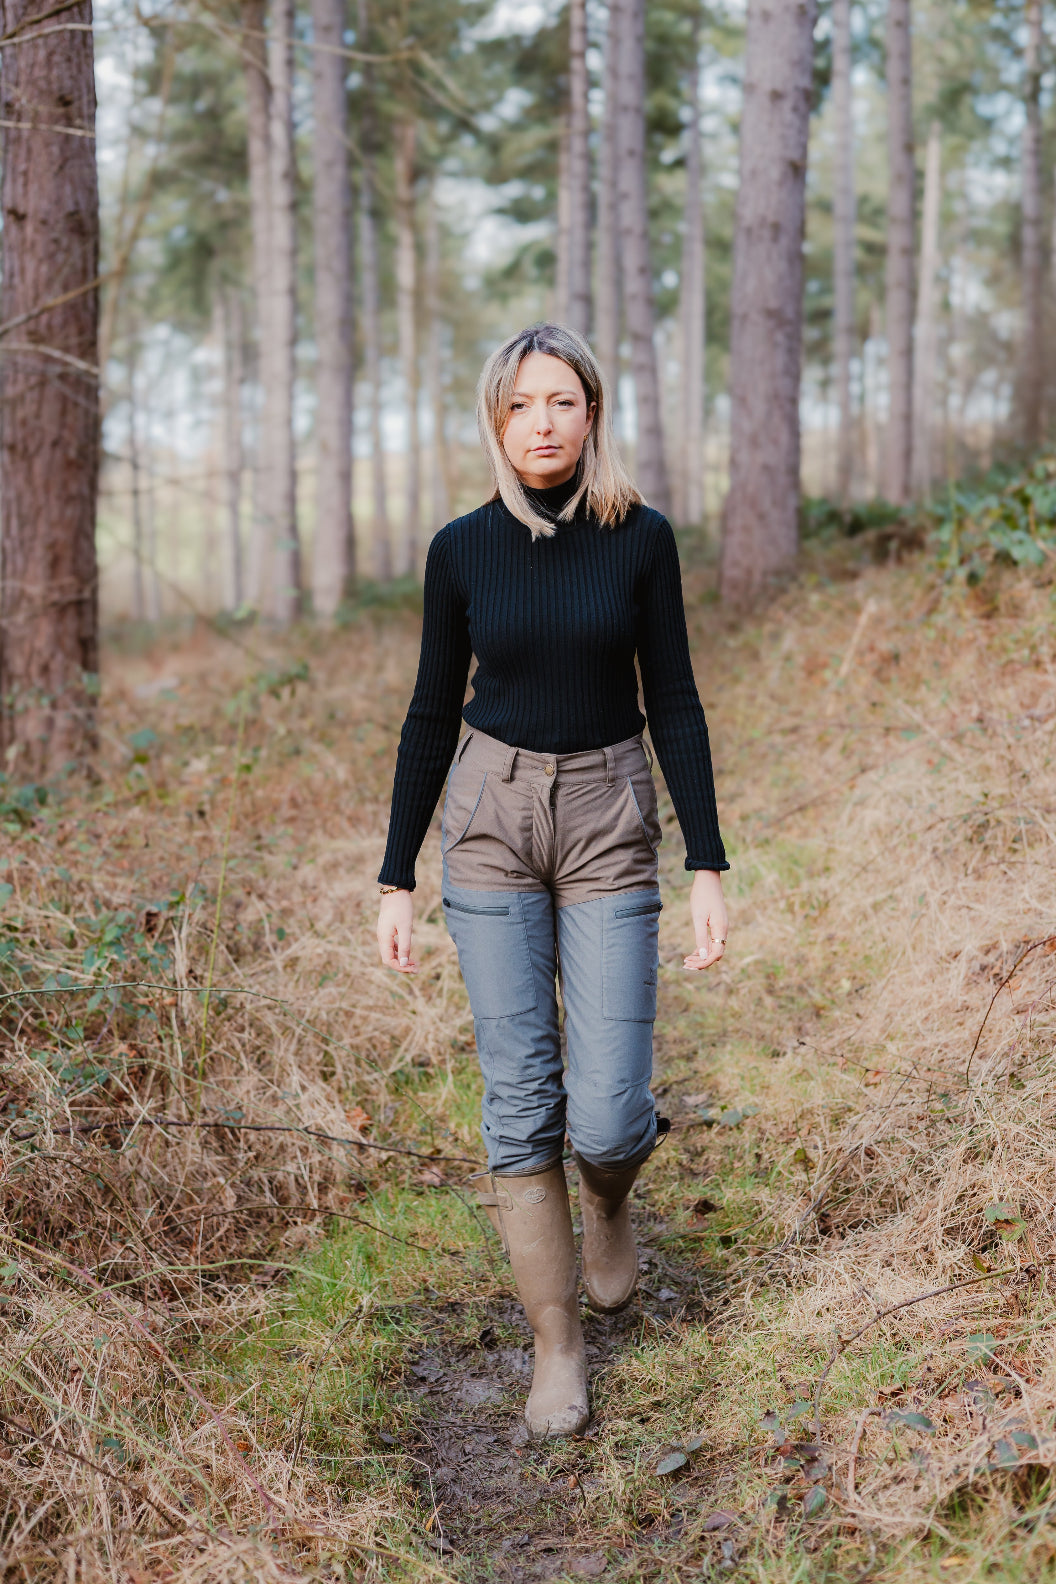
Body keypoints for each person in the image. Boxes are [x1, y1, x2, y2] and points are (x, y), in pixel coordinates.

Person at [376, 322, 728, 1441]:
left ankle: (613, 1195)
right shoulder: (459, 551)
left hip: (607, 819)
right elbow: (433, 709)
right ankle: (557, 1346)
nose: (542, 422)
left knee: (613, 1110)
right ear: (497, 418)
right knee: (521, 1100)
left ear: (592, 417)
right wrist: (396, 875)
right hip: (487, 822)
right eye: (523, 403)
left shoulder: (642, 540)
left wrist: (708, 861)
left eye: (563, 402)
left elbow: (672, 696)